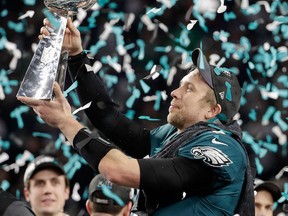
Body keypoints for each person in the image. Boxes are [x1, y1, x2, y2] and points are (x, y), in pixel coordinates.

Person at [17, 18, 255, 215]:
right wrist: (77, 56)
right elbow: (108, 119)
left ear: (213, 111)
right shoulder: (175, 135)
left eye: (189, 89)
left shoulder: (224, 148)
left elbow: (119, 171)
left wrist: (65, 122)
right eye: (181, 84)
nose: (174, 92)